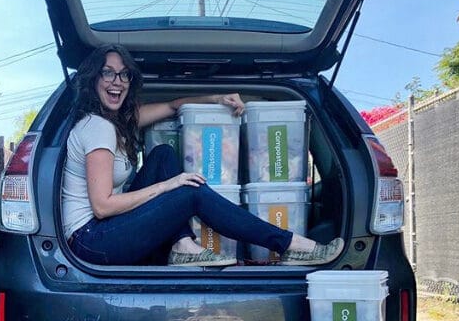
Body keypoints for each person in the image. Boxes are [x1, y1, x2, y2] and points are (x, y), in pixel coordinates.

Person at [61, 44, 344, 267]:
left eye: (124, 74)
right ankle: (290, 245)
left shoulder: (119, 121)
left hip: (105, 231)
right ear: (93, 78)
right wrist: (168, 186)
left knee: (162, 155)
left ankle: (182, 244)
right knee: (189, 191)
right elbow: (103, 207)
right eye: (108, 72)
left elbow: (173, 106)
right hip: (91, 242)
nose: (118, 81)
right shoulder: (97, 127)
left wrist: (217, 98)